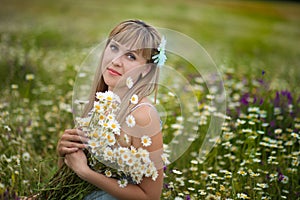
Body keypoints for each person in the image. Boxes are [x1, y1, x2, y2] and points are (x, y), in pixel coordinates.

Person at [57, 19, 165, 200]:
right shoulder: (101, 102)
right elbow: (70, 177)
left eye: (130, 56)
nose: (115, 61)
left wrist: (85, 172)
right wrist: (64, 153)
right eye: (114, 48)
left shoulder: (142, 116)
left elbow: (150, 196)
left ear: (146, 69)